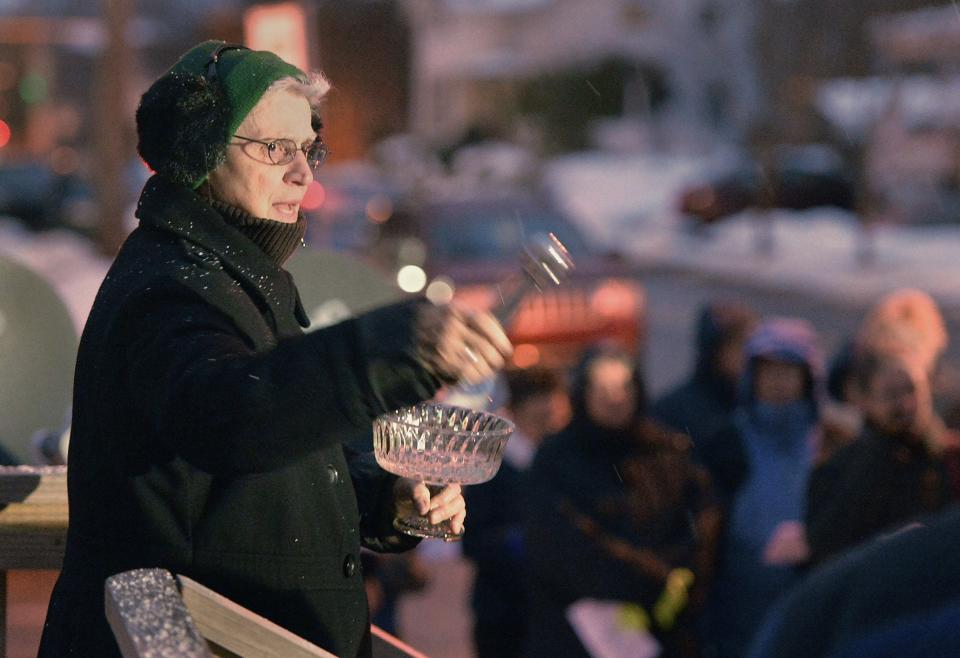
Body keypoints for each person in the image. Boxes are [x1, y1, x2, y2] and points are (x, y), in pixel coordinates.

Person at [38, 41, 512, 658]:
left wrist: (387, 499)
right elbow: (231, 417)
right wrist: (397, 344)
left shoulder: (235, 274)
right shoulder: (170, 289)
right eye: (274, 150)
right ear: (200, 155)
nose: (304, 173)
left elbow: (287, 449)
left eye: (309, 149)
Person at [523, 344, 719, 658]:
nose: (614, 398)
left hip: (661, 632)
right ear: (583, 393)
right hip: (575, 635)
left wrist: (678, 577)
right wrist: (649, 577)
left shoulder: (668, 451)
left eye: (624, 386)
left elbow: (700, 523)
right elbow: (558, 541)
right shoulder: (556, 458)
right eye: (602, 388)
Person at [697, 317, 823, 658]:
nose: (778, 381)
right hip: (738, 613)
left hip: (812, 612)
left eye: (789, 371)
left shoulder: (831, 445)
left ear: (807, 378)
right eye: (769, 371)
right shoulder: (724, 444)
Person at [806, 350, 957, 567]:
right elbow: (825, 544)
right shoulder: (840, 468)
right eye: (892, 394)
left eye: (912, 390)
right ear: (867, 401)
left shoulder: (949, 459)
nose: (905, 404)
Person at [462, 367, 569, 658]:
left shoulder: (564, 459)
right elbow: (472, 540)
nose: (552, 412)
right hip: (501, 611)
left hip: (553, 613)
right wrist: (520, 541)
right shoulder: (494, 463)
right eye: (542, 405)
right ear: (518, 408)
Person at [652, 300, 758, 449]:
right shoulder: (669, 413)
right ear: (717, 352)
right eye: (744, 345)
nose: (752, 355)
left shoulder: (760, 410)